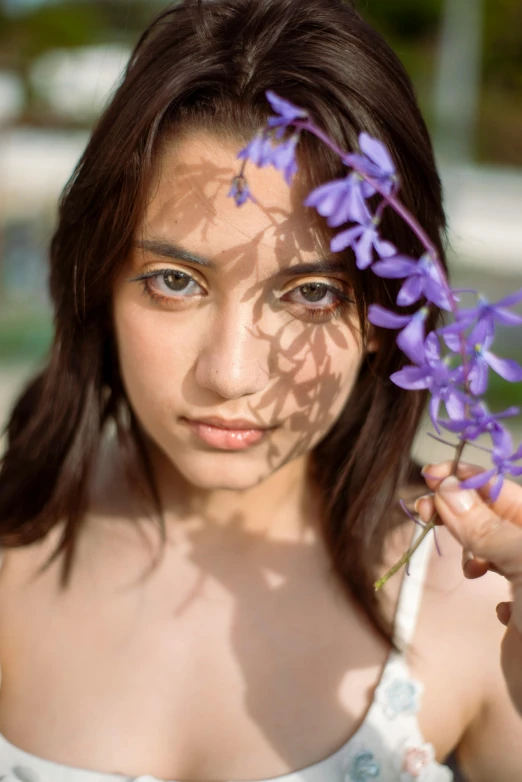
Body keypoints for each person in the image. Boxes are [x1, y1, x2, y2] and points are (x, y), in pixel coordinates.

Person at [0, 0, 521, 780]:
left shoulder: (483, 604)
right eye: (174, 281)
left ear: (389, 317)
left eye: (311, 292)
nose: (231, 374)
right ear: (101, 282)